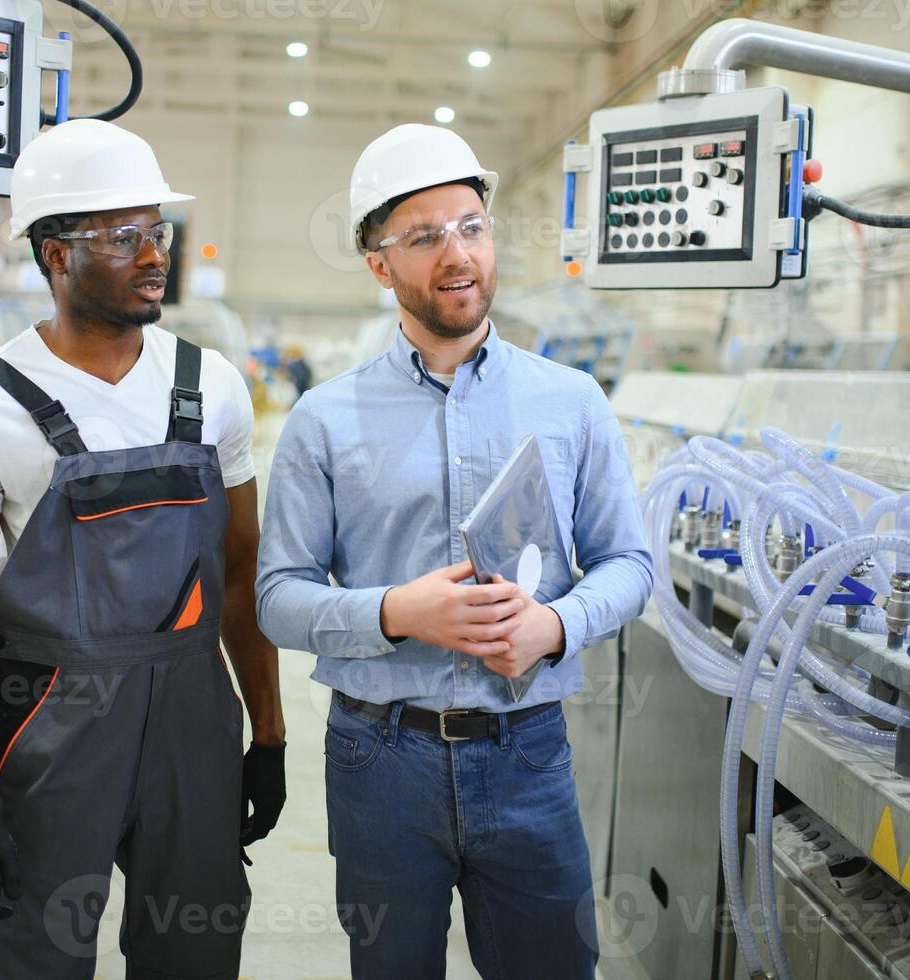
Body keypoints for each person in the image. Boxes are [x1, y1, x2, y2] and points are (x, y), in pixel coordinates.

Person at [255, 123, 652, 979]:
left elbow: (629, 564)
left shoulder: (572, 402)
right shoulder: (324, 419)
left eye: (471, 225)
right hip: (380, 758)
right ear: (377, 263)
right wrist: (397, 613)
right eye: (424, 237)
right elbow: (276, 597)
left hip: (527, 751)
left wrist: (554, 624)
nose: (457, 253)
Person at [0, 118, 286, 980]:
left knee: (192, 950)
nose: (155, 254)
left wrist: (267, 734)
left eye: (157, 231)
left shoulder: (211, 385)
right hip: (52, 713)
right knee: (33, 956)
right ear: (54, 253)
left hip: (192, 713)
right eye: (124, 237)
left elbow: (240, 573)